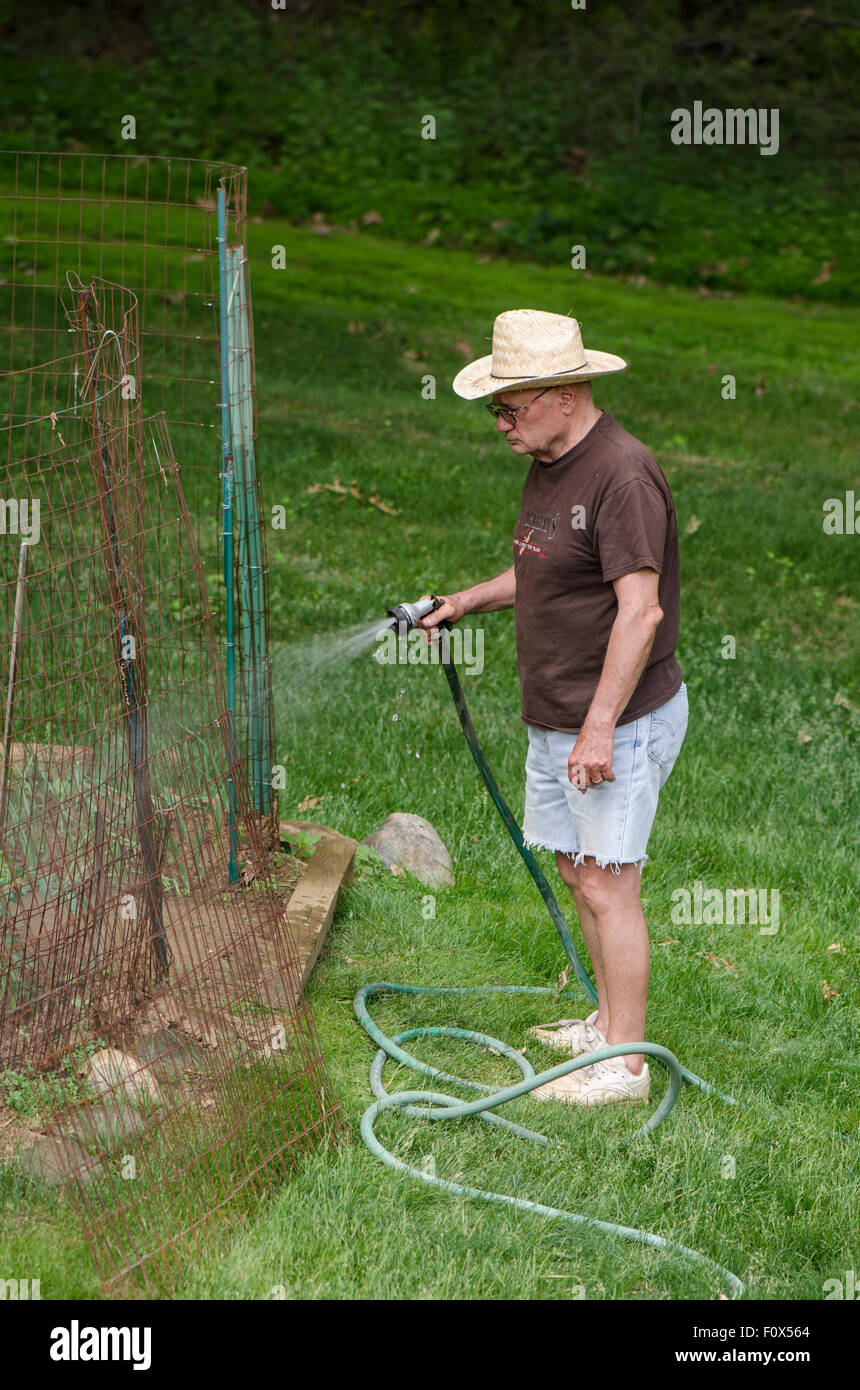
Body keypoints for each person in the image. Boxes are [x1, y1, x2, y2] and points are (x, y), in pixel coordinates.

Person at [420, 308, 688, 1106]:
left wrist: (601, 727)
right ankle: (604, 1027)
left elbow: (640, 613)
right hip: (560, 713)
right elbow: (544, 570)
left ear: (566, 393)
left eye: (513, 406)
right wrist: (464, 600)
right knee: (578, 872)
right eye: (497, 408)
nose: (500, 422)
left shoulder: (622, 476)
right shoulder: (551, 460)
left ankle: (626, 1069)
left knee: (611, 885)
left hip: (617, 720)